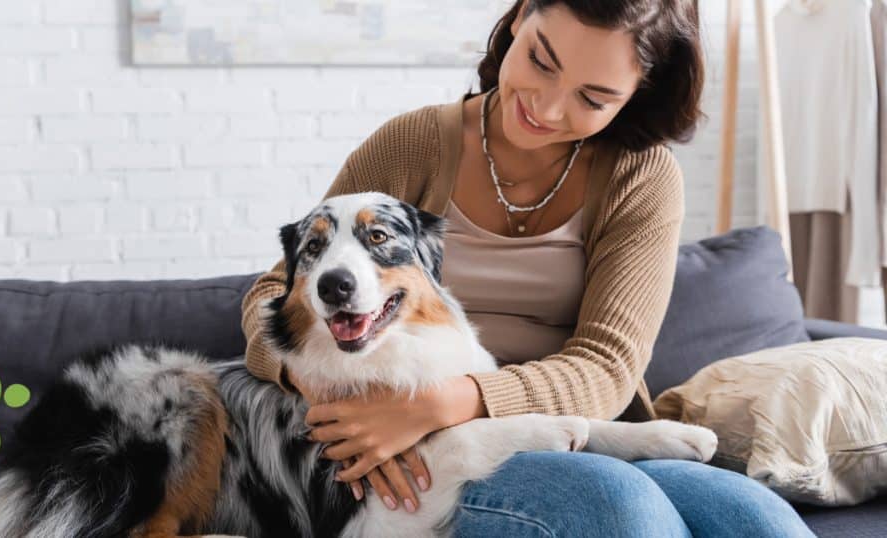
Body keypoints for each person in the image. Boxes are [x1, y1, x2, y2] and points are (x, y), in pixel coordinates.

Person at [239, 1, 816, 536]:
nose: (545, 106)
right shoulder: (412, 144)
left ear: (637, 95)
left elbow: (607, 366)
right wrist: (315, 383)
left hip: (580, 429)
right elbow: (277, 287)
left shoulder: (641, 177)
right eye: (542, 60)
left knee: (755, 518)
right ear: (520, 16)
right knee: (622, 509)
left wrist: (444, 401)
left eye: (593, 98)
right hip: (443, 452)